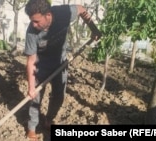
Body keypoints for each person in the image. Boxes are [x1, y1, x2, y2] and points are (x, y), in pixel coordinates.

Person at [24, 0, 101, 140]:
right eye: (32, 21)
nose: (34, 25)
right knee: (35, 99)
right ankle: (32, 128)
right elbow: (31, 61)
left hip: (60, 62)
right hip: (41, 65)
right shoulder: (31, 31)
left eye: (36, 21)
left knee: (59, 96)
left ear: (48, 15)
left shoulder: (64, 13)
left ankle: (48, 120)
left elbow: (81, 9)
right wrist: (31, 88)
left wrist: (94, 29)